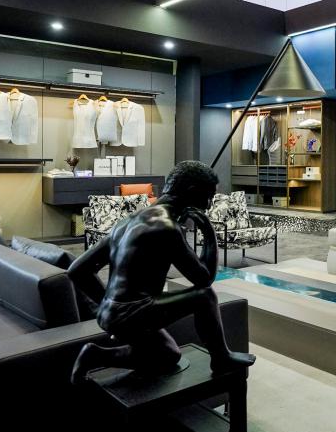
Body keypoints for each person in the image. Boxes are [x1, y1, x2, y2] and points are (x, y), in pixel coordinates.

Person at [68, 161, 255, 384]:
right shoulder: (167, 227)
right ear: (191, 192)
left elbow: (77, 269)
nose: (207, 206)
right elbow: (204, 279)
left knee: (168, 354)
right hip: (130, 313)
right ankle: (221, 357)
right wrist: (208, 231)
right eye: (208, 197)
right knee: (205, 296)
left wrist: (107, 304)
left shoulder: (127, 222)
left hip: (110, 313)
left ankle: (94, 355)